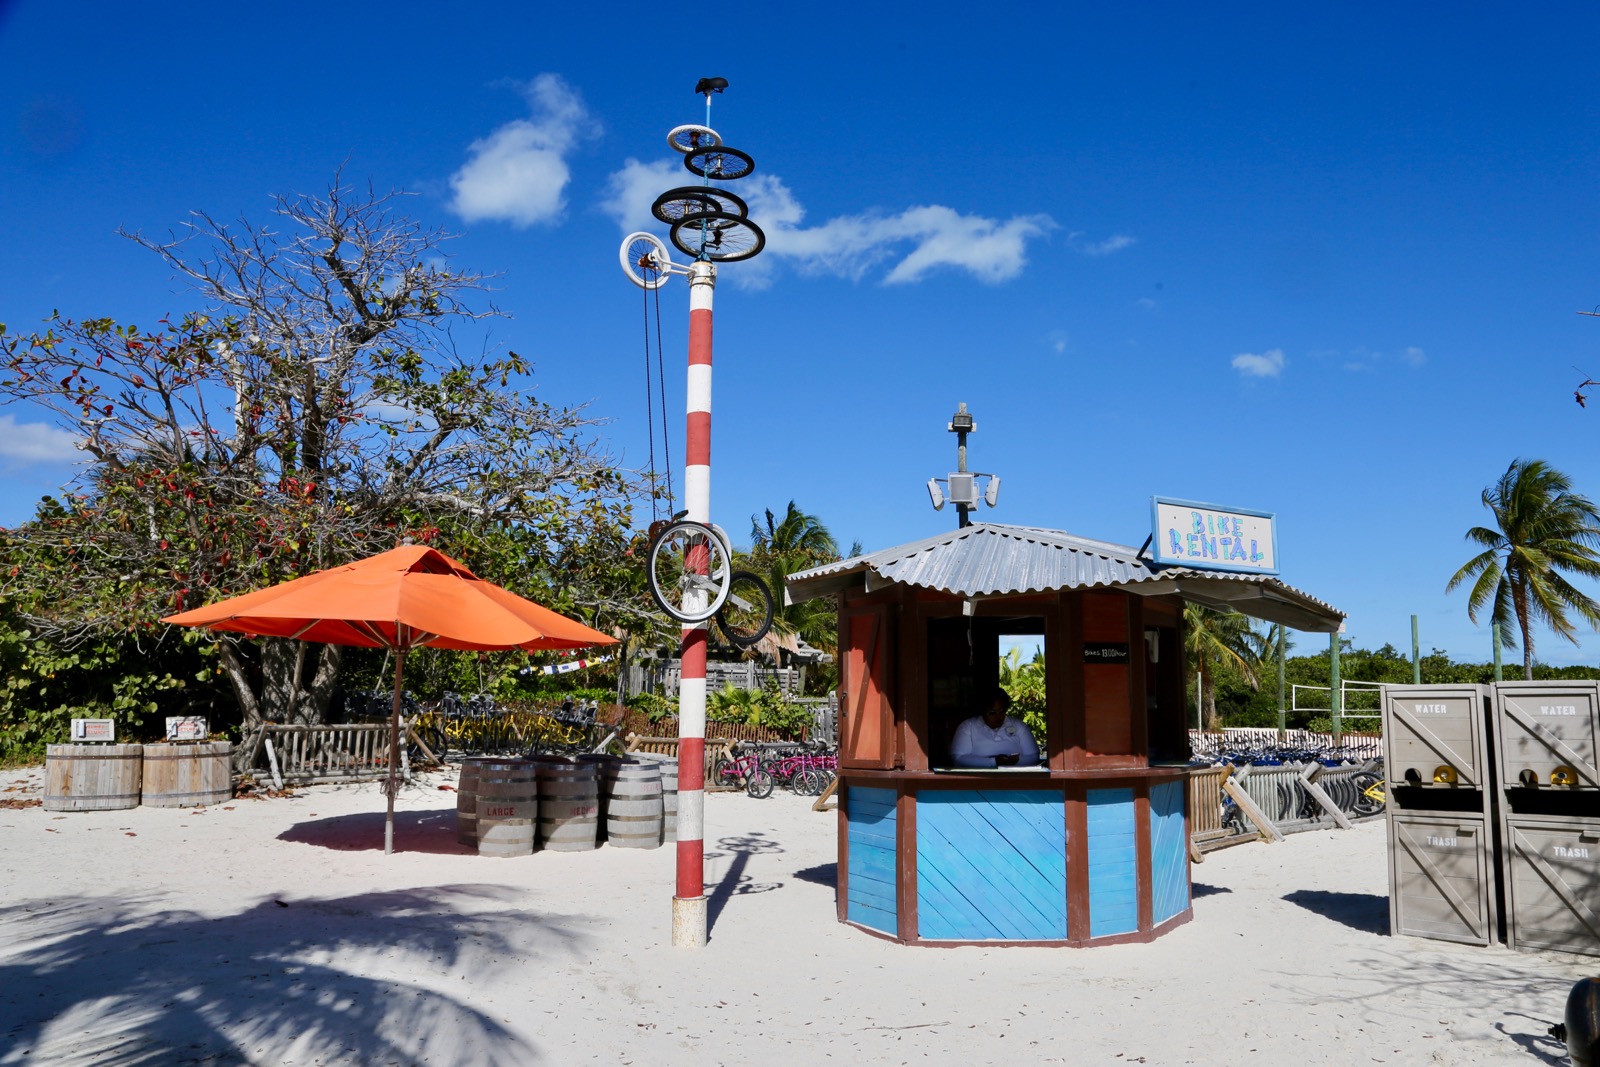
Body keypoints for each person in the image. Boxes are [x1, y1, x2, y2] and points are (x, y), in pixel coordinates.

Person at [949, 689, 1040, 768]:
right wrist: (993, 762)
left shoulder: (1019, 726)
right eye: (992, 713)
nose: (998, 716)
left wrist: (1011, 763)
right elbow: (958, 758)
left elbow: (1034, 756)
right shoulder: (968, 727)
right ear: (983, 711)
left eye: (1002, 711)